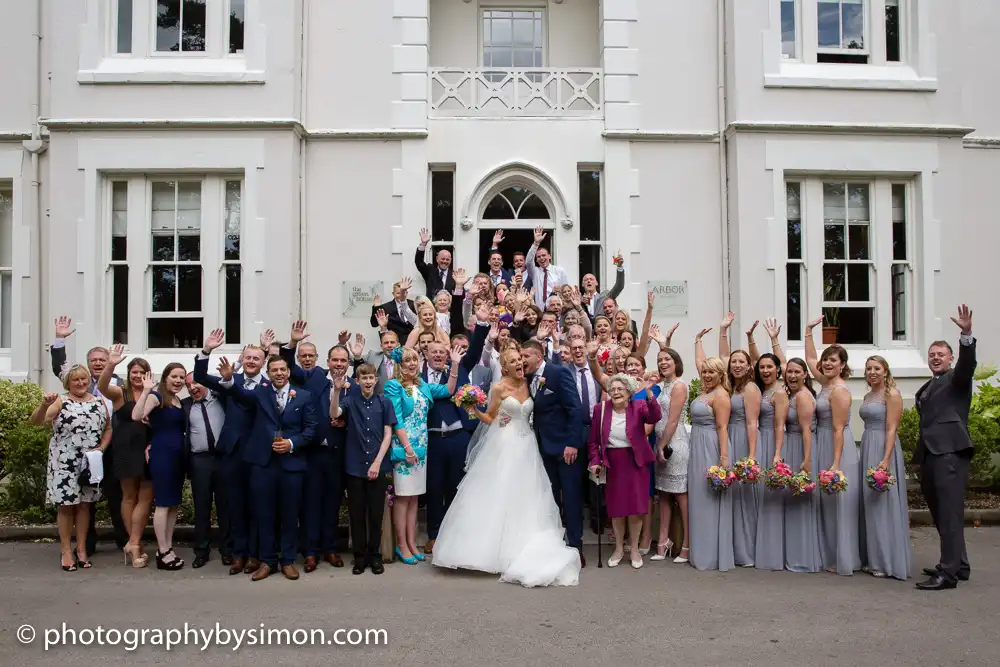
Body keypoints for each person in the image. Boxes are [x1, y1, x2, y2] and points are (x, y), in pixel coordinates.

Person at [431, 348, 581, 587]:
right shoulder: (499, 388)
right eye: (513, 361)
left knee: (529, 495)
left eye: (520, 358)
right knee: (500, 491)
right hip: (505, 442)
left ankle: (525, 544)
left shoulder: (530, 382)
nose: (519, 362)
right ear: (505, 366)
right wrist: (476, 411)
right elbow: (491, 417)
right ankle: (491, 552)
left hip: (528, 444)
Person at [216, 352, 318, 582]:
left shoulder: (303, 396)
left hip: (292, 465)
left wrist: (292, 443)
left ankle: (288, 560)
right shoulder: (259, 393)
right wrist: (229, 381)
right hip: (263, 465)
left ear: (289, 372)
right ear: (268, 373)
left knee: (290, 515)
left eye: (283, 370)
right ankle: (268, 560)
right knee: (264, 515)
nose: (279, 373)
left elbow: (311, 430)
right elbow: (240, 396)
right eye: (274, 370)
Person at [49, 316, 128, 554]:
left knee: (116, 495)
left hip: (110, 445)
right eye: (93, 360)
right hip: (81, 450)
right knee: (86, 497)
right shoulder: (78, 381)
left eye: (102, 360)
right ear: (87, 363)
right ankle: (87, 544)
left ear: (109, 362)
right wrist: (60, 339)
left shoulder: (119, 383)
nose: (97, 363)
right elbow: (59, 367)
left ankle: (123, 540)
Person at [194, 333, 268, 575]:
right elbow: (200, 377)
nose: (251, 361)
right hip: (231, 453)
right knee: (234, 506)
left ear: (263, 361)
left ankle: (255, 556)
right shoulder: (230, 377)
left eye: (256, 358)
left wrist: (229, 383)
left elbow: (247, 400)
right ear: (242, 359)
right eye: (248, 357)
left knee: (257, 507)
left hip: (258, 454)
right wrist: (206, 351)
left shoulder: (267, 385)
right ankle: (238, 554)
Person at [914, 304, 976, 591]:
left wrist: (966, 336)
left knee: (949, 513)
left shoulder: (957, 379)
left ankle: (947, 573)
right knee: (942, 512)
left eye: (941, 354)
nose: (936, 358)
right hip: (931, 455)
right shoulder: (931, 383)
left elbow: (967, 366)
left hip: (949, 454)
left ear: (951, 358)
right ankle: (959, 564)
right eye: (932, 355)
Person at [383, 346, 462, 563]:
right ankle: (401, 544)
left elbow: (448, 390)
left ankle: (411, 542)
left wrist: (454, 364)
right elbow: (396, 419)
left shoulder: (423, 386)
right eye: (407, 361)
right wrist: (407, 448)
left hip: (422, 450)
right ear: (400, 364)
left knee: (414, 498)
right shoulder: (393, 386)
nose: (411, 364)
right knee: (402, 497)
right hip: (404, 448)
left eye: (414, 360)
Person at [280, 323, 348, 571]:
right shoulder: (314, 376)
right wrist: (292, 344)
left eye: (343, 360)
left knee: (332, 504)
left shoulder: (354, 383)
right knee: (310, 504)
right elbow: (290, 367)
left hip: (336, 454)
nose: (339, 364)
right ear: (327, 362)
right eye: (335, 360)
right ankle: (310, 552)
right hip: (312, 453)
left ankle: (329, 549)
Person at [31, 365, 111, 571]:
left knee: (85, 505)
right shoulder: (61, 400)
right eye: (76, 380)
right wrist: (43, 405)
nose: (81, 383)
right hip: (64, 462)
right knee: (66, 506)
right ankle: (66, 551)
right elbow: (38, 421)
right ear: (68, 383)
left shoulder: (99, 401)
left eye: (84, 379)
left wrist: (101, 447)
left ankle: (82, 549)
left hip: (89, 462)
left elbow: (109, 428)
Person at [422, 309, 490, 554]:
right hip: (432, 439)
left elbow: (475, 349)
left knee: (456, 486)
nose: (438, 355)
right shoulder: (418, 376)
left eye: (442, 352)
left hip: (458, 437)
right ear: (426, 355)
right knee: (434, 487)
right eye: (434, 352)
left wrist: (481, 323)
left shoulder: (460, 368)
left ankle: (455, 533)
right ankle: (433, 534)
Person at [330, 364, 400, 575]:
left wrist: (378, 462)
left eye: (371, 377)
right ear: (358, 381)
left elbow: (388, 435)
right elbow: (334, 413)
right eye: (364, 378)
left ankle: (375, 555)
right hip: (355, 465)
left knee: (375, 514)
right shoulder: (350, 401)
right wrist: (336, 389)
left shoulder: (384, 402)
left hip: (378, 465)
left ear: (376, 380)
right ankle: (359, 557)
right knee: (356, 514)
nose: (368, 381)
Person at [804, 319, 861, 576]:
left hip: (837, 445)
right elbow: (810, 358)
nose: (827, 363)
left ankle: (843, 556)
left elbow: (839, 428)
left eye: (833, 360)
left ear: (843, 365)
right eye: (826, 360)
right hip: (822, 441)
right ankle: (829, 552)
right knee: (826, 501)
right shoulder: (825, 384)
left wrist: (836, 463)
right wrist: (808, 332)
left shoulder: (839, 391)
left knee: (839, 500)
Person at [588, 374, 662, 569]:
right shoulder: (600, 409)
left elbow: (655, 416)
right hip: (613, 463)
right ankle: (619, 548)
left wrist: (648, 394)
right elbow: (594, 441)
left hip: (636, 462)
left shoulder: (638, 407)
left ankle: (635, 549)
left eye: (620, 389)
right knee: (617, 509)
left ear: (629, 392)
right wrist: (595, 461)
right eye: (613, 389)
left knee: (636, 509)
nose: (616, 392)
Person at [521, 339, 585, 564]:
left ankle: (576, 547)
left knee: (571, 498)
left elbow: (575, 409)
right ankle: (555, 546)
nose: (522, 360)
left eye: (525, 356)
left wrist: (572, 443)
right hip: (542, 449)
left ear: (538, 356)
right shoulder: (526, 378)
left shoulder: (558, 373)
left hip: (565, 449)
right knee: (549, 500)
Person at [97, 346, 153, 568]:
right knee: (129, 496)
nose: (138, 376)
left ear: (148, 375)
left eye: (142, 372)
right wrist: (111, 364)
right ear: (129, 375)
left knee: (146, 498)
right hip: (126, 450)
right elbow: (101, 386)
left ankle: (132, 542)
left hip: (147, 450)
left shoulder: (152, 393)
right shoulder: (121, 393)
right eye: (134, 372)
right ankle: (135, 544)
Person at [859, 356, 911, 580]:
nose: (872, 372)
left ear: (885, 371)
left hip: (883, 448)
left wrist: (886, 457)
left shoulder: (892, 395)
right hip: (868, 445)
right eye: (869, 368)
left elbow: (892, 428)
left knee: (883, 503)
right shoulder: (868, 395)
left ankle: (888, 560)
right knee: (870, 503)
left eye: (877, 368)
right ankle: (873, 557)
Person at [133, 364, 188, 571]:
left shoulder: (178, 401)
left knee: (173, 504)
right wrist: (146, 390)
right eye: (174, 376)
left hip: (177, 457)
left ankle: (168, 547)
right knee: (164, 503)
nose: (178, 380)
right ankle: (162, 550)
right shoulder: (157, 397)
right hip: (162, 456)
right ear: (165, 378)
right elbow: (137, 416)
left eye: (181, 377)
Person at [687, 349, 735, 572]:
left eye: (711, 372)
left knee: (710, 499)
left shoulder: (721, 396)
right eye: (704, 371)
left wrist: (723, 460)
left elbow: (722, 427)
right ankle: (701, 551)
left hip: (711, 447)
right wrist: (698, 342)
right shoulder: (705, 392)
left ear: (720, 374)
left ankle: (712, 554)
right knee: (698, 498)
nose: (706, 375)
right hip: (697, 445)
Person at [183, 372, 230, 569]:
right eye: (188, 385)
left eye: (196, 382)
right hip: (199, 460)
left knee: (225, 507)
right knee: (201, 508)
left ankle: (228, 550)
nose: (193, 387)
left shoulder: (221, 398)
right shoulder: (185, 406)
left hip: (222, 459)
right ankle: (201, 551)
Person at [781, 358, 823, 573]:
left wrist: (806, 461)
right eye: (789, 372)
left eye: (797, 372)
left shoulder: (804, 397)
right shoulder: (794, 394)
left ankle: (803, 556)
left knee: (801, 501)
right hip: (792, 445)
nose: (792, 376)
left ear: (805, 374)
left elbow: (807, 430)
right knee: (793, 500)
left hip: (801, 447)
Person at [650, 345, 690, 564]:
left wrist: (661, 445)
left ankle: (686, 544)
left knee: (681, 497)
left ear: (676, 362)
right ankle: (663, 542)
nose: (663, 362)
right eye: (660, 360)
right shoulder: (662, 386)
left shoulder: (679, 385)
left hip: (675, 444)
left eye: (667, 359)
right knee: (663, 494)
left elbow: (673, 420)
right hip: (660, 443)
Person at [523, 227, 568, 308]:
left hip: (556, 309)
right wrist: (536, 243)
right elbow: (528, 261)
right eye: (539, 257)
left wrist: (560, 291)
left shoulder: (559, 270)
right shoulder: (535, 272)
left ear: (549, 256)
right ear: (536, 260)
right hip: (540, 310)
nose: (542, 258)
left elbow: (566, 290)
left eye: (544, 255)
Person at [371, 278, 417, 342]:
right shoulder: (386, 307)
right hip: (394, 343)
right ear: (393, 294)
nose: (401, 296)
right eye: (398, 293)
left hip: (413, 342)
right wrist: (376, 307)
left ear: (406, 293)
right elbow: (374, 324)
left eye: (403, 292)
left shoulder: (413, 304)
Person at [415, 228, 455, 298]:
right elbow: (419, 262)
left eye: (447, 259)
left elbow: (457, 296)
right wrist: (423, 244)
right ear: (437, 259)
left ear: (450, 261)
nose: (445, 261)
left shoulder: (454, 275)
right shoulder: (430, 271)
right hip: (431, 308)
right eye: (442, 259)